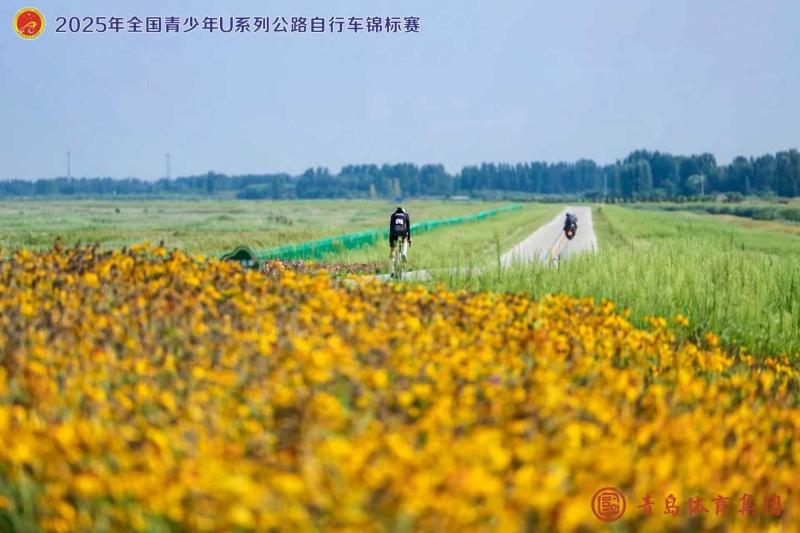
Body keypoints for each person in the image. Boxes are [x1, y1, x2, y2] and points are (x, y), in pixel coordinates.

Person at [389, 206, 411, 276]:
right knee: (404, 238)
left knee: (393, 250)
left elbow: (391, 228)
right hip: (403, 230)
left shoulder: (393, 215)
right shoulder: (406, 215)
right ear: (403, 211)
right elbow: (408, 228)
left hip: (394, 231)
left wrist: (391, 240)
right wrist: (409, 238)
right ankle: (404, 253)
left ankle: (392, 271)